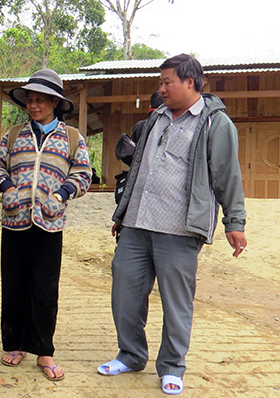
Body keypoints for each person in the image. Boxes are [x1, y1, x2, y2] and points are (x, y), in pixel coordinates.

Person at [97, 54, 247, 395]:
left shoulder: (215, 124)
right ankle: (131, 355)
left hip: (179, 229)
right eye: (160, 82)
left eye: (167, 82)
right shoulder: (154, 121)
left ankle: (172, 365)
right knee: (125, 291)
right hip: (136, 223)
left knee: (176, 301)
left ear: (190, 82)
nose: (161, 88)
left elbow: (227, 176)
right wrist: (122, 213)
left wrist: (234, 221)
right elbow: (136, 172)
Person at [0, 68, 92, 381]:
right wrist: (6, 187)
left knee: (45, 289)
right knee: (14, 284)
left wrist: (62, 193)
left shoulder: (72, 138)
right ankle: (15, 343)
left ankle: (44, 351)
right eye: (30, 100)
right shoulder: (14, 135)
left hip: (49, 224)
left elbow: (83, 174)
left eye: (41, 100)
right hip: (14, 221)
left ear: (55, 102)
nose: (33, 105)